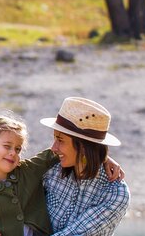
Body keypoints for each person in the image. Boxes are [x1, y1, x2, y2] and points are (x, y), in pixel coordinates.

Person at [0, 115, 125, 236]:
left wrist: (100, 156)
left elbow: (52, 155)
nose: (13, 153)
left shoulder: (28, 171)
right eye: (7, 146)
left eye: (18, 149)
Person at [38, 97, 130, 236]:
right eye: (55, 138)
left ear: (83, 147)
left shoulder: (115, 194)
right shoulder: (51, 167)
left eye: (61, 140)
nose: (53, 147)